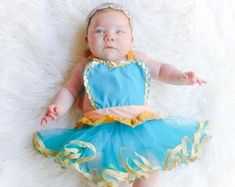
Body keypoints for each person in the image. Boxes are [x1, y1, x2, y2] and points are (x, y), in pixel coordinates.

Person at [33, 3, 211, 187]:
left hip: (140, 127)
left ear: (131, 39)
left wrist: (180, 76)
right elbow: (69, 90)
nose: (109, 37)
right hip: (99, 130)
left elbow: (161, 69)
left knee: (149, 165)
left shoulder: (138, 59)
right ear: (87, 40)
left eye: (119, 32)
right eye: (100, 31)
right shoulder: (86, 66)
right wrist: (58, 107)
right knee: (102, 172)